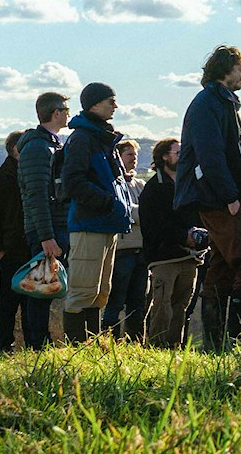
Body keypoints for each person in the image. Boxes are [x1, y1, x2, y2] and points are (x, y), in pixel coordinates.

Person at [176, 45, 241, 350]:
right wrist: (230, 196)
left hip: (221, 197)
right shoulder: (208, 103)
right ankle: (237, 344)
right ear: (226, 70)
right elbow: (210, 155)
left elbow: (236, 155)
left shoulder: (221, 103)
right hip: (219, 199)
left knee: (223, 268)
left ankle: (216, 347)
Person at [60, 83, 131, 341]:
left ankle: (91, 344)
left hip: (106, 224)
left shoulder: (102, 139)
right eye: (110, 100)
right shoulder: (82, 138)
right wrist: (108, 203)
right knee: (81, 291)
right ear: (94, 104)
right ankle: (77, 347)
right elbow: (73, 182)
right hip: (89, 224)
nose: (115, 105)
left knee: (100, 291)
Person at [0, 130, 40, 352]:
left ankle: (35, 347)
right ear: (15, 149)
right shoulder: (0, 179)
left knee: (34, 303)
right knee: (8, 305)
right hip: (11, 252)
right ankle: (5, 349)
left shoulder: (32, 174)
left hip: (34, 251)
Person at [16, 91, 70, 350]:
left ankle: (41, 342)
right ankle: (37, 345)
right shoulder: (37, 147)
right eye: (66, 109)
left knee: (47, 288)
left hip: (54, 227)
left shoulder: (51, 143)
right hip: (46, 231)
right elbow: (36, 194)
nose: (68, 114)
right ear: (56, 112)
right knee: (40, 290)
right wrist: (46, 236)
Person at [139, 137, 201, 348]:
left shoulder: (188, 184)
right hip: (163, 256)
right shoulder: (154, 187)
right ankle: (156, 347)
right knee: (162, 305)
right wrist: (183, 236)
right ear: (165, 157)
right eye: (178, 153)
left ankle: (174, 347)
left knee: (181, 306)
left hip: (190, 256)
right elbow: (155, 224)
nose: (182, 157)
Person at [102, 140, 148, 339]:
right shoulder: (114, 183)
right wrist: (142, 212)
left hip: (141, 251)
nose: (134, 159)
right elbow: (124, 211)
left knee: (138, 303)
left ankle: (135, 342)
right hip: (122, 251)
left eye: (135, 155)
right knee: (115, 302)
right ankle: (109, 341)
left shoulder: (140, 184)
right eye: (130, 154)